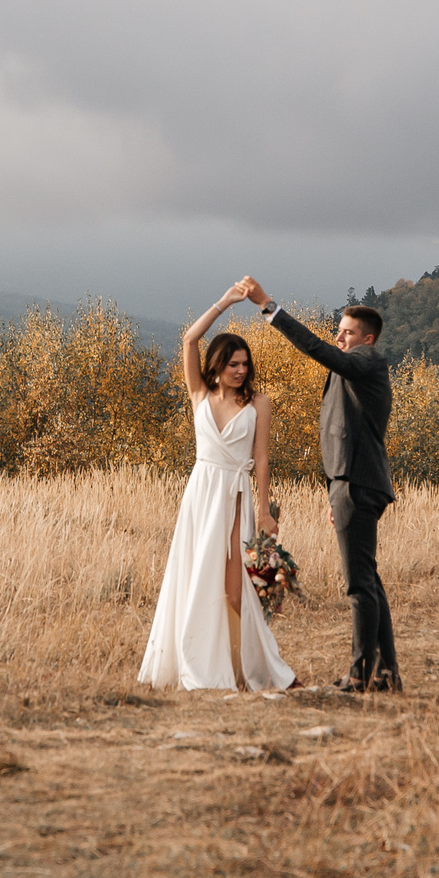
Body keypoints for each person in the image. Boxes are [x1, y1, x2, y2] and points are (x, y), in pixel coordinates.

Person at [239, 277, 399, 691]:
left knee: (359, 585)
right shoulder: (359, 368)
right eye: (338, 331)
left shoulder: (366, 361)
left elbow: (319, 350)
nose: (338, 338)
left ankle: (363, 675)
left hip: (358, 484)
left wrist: (269, 308)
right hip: (353, 484)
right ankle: (384, 675)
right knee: (370, 581)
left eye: (346, 332)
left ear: (366, 339)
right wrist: (335, 490)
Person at [136, 284, 296, 692]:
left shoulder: (259, 403)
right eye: (232, 364)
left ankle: (252, 670)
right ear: (216, 366)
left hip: (238, 496)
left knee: (238, 589)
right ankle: (201, 667)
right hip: (202, 493)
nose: (240, 370)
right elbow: (190, 339)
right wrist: (225, 302)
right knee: (195, 578)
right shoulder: (199, 395)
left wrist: (265, 511)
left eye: (244, 363)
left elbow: (261, 460)